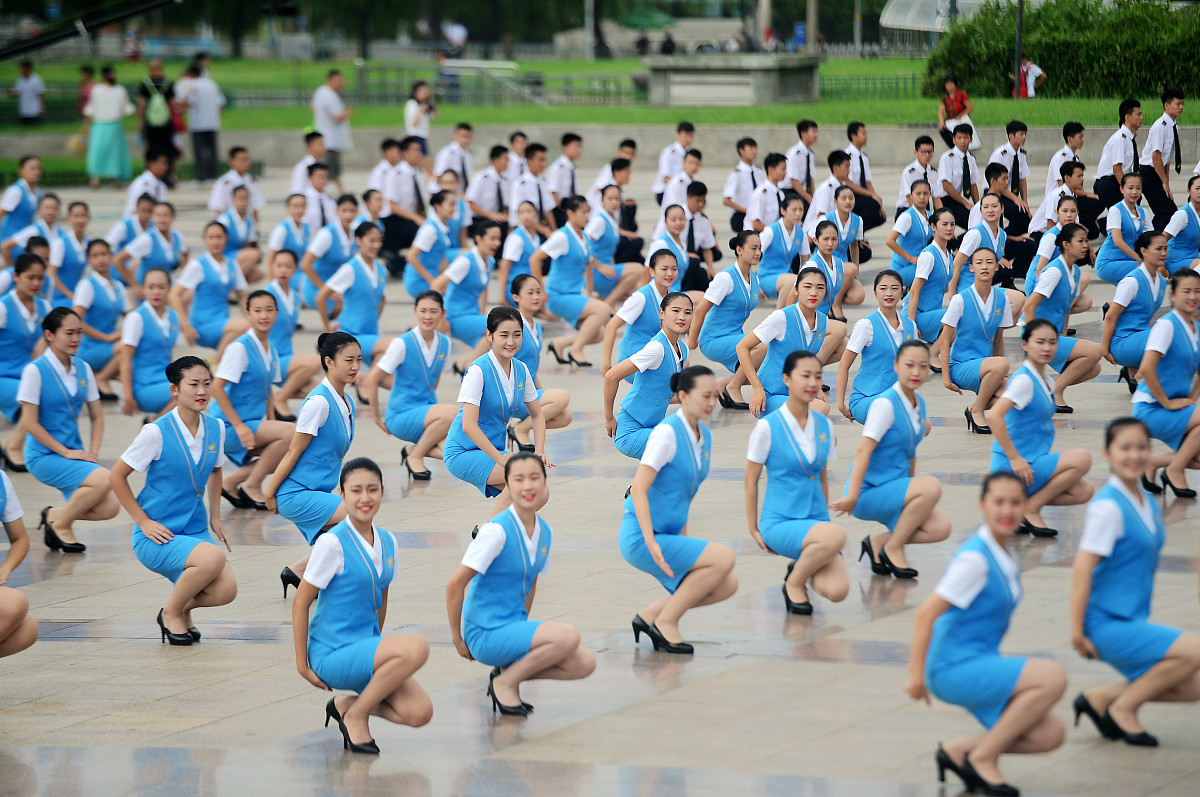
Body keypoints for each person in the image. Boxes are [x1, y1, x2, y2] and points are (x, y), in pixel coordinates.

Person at [905, 472, 1066, 796]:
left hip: (978, 660)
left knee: (1050, 734)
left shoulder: (1003, 552)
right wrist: (917, 676)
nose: (1007, 510)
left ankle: (958, 752)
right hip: (953, 667)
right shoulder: (975, 559)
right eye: (999, 502)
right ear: (982, 505)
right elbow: (926, 614)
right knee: (1051, 677)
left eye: (1015, 502)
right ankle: (983, 758)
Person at [1070, 418, 1200, 748]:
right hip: (1104, 623)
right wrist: (1077, 629)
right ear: (1107, 454)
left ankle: (1103, 699)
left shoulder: (1143, 501)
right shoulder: (1108, 508)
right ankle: (1124, 708)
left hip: (1131, 617)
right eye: (1124, 448)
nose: (1134, 455)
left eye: (1142, 447)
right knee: (1195, 652)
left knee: (1193, 686)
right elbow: (1082, 570)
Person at [290, 456, 432, 755]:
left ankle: (347, 706)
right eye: (356, 490)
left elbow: (381, 599)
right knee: (417, 647)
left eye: (372, 489)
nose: (364, 498)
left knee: (420, 712)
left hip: (364, 648)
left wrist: (376, 649)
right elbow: (301, 603)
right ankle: (357, 717)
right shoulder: (332, 543)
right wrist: (303, 665)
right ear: (341, 494)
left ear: (382, 492)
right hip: (332, 652)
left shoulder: (388, 541)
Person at [446, 452, 594, 715]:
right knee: (568, 636)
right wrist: (457, 639)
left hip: (511, 626)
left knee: (584, 663)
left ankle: (510, 675)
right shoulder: (495, 531)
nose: (528, 486)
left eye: (535, 478)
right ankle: (505, 683)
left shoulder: (544, 531)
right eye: (518, 479)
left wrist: (522, 628)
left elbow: (531, 584)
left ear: (545, 484)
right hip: (484, 631)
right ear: (508, 486)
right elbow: (455, 585)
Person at [110, 356, 236, 646]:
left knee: (226, 590)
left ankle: (178, 608)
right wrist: (143, 521)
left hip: (194, 530)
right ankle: (172, 614)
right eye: (193, 384)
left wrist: (215, 517)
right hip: (157, 534)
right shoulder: (155, 432)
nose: (202, 391)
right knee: (213, 559)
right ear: (174, 390)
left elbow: (216, 471)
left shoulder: (216, 427)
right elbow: (116, 476)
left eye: (207, 383)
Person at [621, 365, 734, 653]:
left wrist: (683, 539)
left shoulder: (703, 437)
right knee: (724, 558)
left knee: (726, 584)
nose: (711, 402)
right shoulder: (666, 434)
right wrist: (650, 541)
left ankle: (649, 616)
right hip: (642, 536)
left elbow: (686, 496)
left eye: (714, 395)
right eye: (704, 396)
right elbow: (639, 489)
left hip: (668, 535)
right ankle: (666, 623)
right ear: (682, 396)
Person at [746, 350, 848, 615]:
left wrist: (824, 521)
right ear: (787, 380)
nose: (812, 383)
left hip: (815, 521)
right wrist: (754, 529)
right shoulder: (767, 427)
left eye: (817, 376)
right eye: (804, 376)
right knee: (837, 537)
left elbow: (823, 477)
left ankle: (802, 566)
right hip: (780, 522)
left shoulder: (823, 426)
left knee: (838, 591)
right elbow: (750, 480)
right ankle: (794, 582)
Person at [19, 308, 119, 553]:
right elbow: (29, 423)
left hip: (72, 454)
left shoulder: (83, 368)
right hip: (44, 455)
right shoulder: (35, 370)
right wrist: (65, 452)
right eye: (69, 333)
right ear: (50, 335)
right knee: (106, 479)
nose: (75, 339)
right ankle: (63, 525)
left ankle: (54, 515)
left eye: (79, 333)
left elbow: (97, 417)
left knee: (110, 508)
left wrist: (93, 453)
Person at [268, 332, 360, 589]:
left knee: (344, 535)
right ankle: (305, 575)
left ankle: (298, 573)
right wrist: (270, 492)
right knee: (356, 517)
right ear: (329, 362)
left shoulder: (346, 401)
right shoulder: (318, 403)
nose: (355, 367)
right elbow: (293, 452)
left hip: (317, 490)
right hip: (295, 492)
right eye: (348, 360)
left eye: (359, 360)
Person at [988, 319, 1095, 537]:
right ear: (1024, 344)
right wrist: (1014, 458)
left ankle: (1022, 505)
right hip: (1013, 467)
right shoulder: (1024, 381)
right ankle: (1031, 508)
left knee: (1084, 491)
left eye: (1052, 342)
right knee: (1082, 458)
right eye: (1039, 342)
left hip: (1031, 463)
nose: (1046, 348)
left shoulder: (1045, 380)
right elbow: (995, 415)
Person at [443, 307, 550, 511]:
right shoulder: (477, 371)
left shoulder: (521, 369)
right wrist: (501, 458)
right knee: (521, 478)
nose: (511, 342)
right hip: (463, 451)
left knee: (539, 494)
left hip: (494, 449)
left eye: (517, 335)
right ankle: (488, 531)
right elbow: (468, 426)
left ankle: (499, 532)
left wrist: (539, 451)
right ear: (489, 336)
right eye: (504, 335)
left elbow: (537, 414)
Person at [209, 290, 294, 510]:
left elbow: (268, 392)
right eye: (257, 311)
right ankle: (252, 485)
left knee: (289, 446)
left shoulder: (270, 348)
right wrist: (238, 426)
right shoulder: (239, 347)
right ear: (247, 314)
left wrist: (274, 423)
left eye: (269, 310)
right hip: (229, 426)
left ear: (277, 314)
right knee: (294, 434)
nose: (263, 316)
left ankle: (230, 482)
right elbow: (216, 388)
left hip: (251, 424)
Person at [363, 291, 456, 479]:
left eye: (433, 311)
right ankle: (417, 456)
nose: (428, 316)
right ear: (415, 311)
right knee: (453, 412)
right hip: (401, 414)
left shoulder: (445, 343)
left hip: (427, 414)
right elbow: (372, 379)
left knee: (453, 450)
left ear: (442, 312)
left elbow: (433, 380)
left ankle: (412, 450)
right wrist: (377, 418)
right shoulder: (402, 343)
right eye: (423, 311)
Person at [738, 266, 845, 417]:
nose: (813, 292)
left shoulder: (822, 321)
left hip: (796, 393)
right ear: (796, 290)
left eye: (820, 288)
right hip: (769, 396)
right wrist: (756, 388)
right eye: (807, 287)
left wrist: (817, 388)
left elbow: (806, 359)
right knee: (819, 409)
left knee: (821, 415)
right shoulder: (781, 318)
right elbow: (742, 346)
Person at [1131, 268, 1200, 496]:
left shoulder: (1196, 328)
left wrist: (1191, 398)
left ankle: (1154, 462)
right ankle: (1175, 471)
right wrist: (1167, 402)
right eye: (1186, 291)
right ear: (1172, 295)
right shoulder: (1167, 325)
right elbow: (1146, 369)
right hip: (1151, 408)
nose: (1192, 297)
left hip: (1176, 409)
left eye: (1197, 291)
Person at [604, 292, 692, 459]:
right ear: (661, 313)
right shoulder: (656, 348)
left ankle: (638, 487)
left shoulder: (683, 348)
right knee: (676, 446)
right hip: (630, 431)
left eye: (688, 312)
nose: (682, 317)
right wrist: (609, 417)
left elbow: (668, 395)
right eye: (676, 311)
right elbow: (611, 376)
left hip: (652, 427)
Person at [1023, 224, 1102, 411]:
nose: (1085, 245)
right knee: (1095, 351)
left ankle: (1047, 388)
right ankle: (1055, 390)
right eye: (1080, 241)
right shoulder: (1054, 272)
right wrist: (1031, 339)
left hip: (1055, 336)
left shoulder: (1073, 271)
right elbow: (1030, 305)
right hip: (1041, 338)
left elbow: (1065, 310)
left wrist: (1064, 336)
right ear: (1066, 244)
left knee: (1094, 369)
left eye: (1086, 240)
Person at [531, 197, 614, 367]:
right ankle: (576, 350)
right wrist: (541, 291)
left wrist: (590, 293)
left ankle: (559, 345)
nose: (587, 216)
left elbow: (589, 265)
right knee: (604, 310)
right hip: (557, 295)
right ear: (570, 213)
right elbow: (535, 259)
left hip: (573, 294)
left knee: (598, 333)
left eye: (588, 211)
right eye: (583, 212)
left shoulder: (583, 236)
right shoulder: (562, 236)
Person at [941, 248, 1015, 435]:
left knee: (1018, 396)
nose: (985, 266)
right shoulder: (960, 299)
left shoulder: (1002, 299)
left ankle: (974, 406)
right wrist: (946, 379)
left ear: (997, 266)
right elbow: (944, 340)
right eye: (979, 262)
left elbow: (998, 338)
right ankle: (978, 411)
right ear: (971, 268)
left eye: (990, 262)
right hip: (961, 365)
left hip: (989, 366)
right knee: (1002, 364)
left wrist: (1002, 372)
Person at [690, 231, 761, 410]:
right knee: (763, 344)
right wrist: (692, 341)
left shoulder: (754, 279)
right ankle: (734, 387)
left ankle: (724, 385)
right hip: (714, 339)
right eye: (753, 248)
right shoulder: (725, 278)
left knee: (764, 366)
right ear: (739, 249)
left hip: (734, 336)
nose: (758, 252)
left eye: (760, 248)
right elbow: (700, 310)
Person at [838, 270, 917, 424]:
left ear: (902, 292)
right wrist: (840, 404)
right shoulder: (866, 325)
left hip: (896, 398)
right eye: (883, 288)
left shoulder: (910, 327)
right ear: (875, 292)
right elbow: (844, 365)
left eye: (894, 288)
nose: (889, 293)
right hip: (866, 399)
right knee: (889, 410)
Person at [0, 254, 50, 473]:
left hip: (28, 376)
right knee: (34, 397)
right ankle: (14, 446)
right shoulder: (3, 308)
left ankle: (8, 444)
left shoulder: (44, 307)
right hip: (4, 378)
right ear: (16, 277)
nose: (36, 283)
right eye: (31, 278)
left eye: (40, 278)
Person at [1102, 232, 1169, 393]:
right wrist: (1105, 350)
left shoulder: (1160, 282)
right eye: (1158, 249)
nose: (1163, 253)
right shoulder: (1131, 281)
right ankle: (1139, 377)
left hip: (1141, 337)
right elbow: (1111, 316)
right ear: (1144, 251)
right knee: (1169, 333)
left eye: (1166, 248)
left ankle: (1133, 371)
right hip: (1122, 341)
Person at [170, 221, 249, 355]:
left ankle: (218, 361)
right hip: (202, 325)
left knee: (252, 328)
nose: (215, 241)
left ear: (226, 239)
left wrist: (250, 316)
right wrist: (185, 326)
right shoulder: (198, 265)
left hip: (224, 322)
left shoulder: (232, 264)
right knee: (247, 327)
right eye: (210, 238)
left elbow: (242, 296)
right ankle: (217, 361)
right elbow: (174, 295)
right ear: (204, 239)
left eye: (219, 237)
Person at [316, 222, 388, 368]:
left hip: (371, 334)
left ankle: (363, 385)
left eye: (379, 240)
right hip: (351, 334)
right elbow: (321, 297)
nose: (376, 245)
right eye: (372, 241)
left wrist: (372, 320)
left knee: (381, 372)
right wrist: (327, 331)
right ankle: (363, 383)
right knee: (393, 346)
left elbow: (382, 299)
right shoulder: (350, 268)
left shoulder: (381, 268)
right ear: (359, 240)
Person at [432, 220, 500, 364]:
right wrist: (442, 318)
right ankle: (467, 365)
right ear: (479, 239)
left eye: (499, 239)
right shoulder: (466, 262)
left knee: (497, 341)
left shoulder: (490, 261)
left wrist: (482, 315)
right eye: (492, 239)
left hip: (471, 314)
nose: (497, 243)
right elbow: (437, 285)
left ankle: (465, 364)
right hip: (455, 316)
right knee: (499, 328)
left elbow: (483, 289)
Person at [602, 250, 678, 376]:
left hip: (658, 358)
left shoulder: (674, 296)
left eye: (674, 269)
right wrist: (606, 365)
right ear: (652, 271)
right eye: (664, 269)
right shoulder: (640, 297)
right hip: (635, 361)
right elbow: (611, 326)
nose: (670, 273)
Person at [120, 268, 178, 420]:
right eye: (151, 287)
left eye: (161, 287)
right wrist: (127, 397)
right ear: (143, 289)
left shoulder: (172, 315)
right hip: (143, 385)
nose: (156, 292)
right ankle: (153, 426)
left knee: (197, 389)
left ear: (169, 289)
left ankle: (153, 423)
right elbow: (125, 359)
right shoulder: (136, 318)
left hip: (165, 379)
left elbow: (167, 354)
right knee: (186, 394)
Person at [74, 240, 126, 397]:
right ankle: (102, 379)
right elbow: (75, 322)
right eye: (95, 256)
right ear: (89, 260)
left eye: (104, 254)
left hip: (109, 344)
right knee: (127, 346)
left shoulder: (118, 286)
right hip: (89, 347)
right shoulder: (87, 285)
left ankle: (99, 376)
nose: (100, 259)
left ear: (111, 256)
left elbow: (130, 316)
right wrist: (107, 337)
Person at [905, 208, 957, 347]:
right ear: (933, 227)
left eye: (952, 224)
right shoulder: (928, 255)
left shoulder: (948, 255)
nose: (949, 228)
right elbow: (914, 291)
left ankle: (933, 351)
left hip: (931, 313)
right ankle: (933, 355)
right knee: (955, 315)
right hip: (917, 315)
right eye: (944, 224)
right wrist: (911, 324)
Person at [584, 185, 642, 307]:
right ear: (602, 201)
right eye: (610, 199)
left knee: (632, 294)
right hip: (596, 272)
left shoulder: (611, 219)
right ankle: (607, 305)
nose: (614, 202)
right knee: (638, 270)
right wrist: (599, 266)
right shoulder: (599, 221)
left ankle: (600, 303)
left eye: (617, 199)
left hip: (608, 270)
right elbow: (583, 243)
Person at [0, 467, 36, 658]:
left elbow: (20, 539)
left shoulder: (1, 479)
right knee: (15, 602)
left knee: (27, 629)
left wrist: (6, 568)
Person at [300, 194, 358, 311]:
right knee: (350, 307)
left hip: (338, 289)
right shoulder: (326, 234)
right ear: (337, 211)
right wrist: (325, 290)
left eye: (352, 211)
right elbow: (305, 264)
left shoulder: (355, 234)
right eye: (344, 210)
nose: (348, 215)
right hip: (317, 288)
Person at [1045, 122, 1104, 236]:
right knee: (1098, 203)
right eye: (1080, 137)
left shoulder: (1074, 158)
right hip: (1060, 199)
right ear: (1070, 138)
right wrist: (1087, 195)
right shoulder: (1060, 158)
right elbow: (1062, 184)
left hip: (1072, 197)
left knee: (1094, 232)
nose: (1083, 140)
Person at [799, 219, 863, 321]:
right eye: (826, 239)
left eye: (834, 239)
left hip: (822, 319)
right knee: (841, 330)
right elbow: (793, 295)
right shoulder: (812, 265)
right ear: (815, 240)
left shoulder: (838, 263)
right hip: (807, 319)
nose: (830, 244)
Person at [1139, 89, 1184, 232]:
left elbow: (1167, 157)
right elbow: (1156, 156)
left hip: (1158, 173)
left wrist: (1166, 181)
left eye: (1182, 104)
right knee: (1168, 211)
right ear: (1166, 105)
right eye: (1177, 104)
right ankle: (1157, 242)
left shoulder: (1173, 126)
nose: (1181, 107)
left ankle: (1150, 239)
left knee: (1163, 211)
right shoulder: (1161, 126)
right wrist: (1163, 181)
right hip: (1149, 173)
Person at [83, 66, 134, 187]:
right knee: (97, 150)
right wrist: (86, 127)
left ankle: (116, 177)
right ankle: (95, 177)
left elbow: (126, 107)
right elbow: (91, 109)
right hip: (99, 125)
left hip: (114, 125)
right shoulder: (97, 90)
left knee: (115, 153)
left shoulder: (120, 90)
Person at [1095, 174, 1148, 285]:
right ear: (1121, 189)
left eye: (1138, 188)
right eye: (1130, 188)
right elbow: (1118, 242)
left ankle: (1113, 303)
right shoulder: (1116, 210)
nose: (1134, 192)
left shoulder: (1142, 212)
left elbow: (1151, 237)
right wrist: (1140, 259)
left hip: (1127, 260)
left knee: (1130, 292)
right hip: (1109, 262)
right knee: (1145, 269)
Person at [403, 191, 455, 302]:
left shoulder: (442, 228)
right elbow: (411, 257)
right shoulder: (430, 229)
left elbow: (442, 258)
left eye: (454, 205)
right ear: (438, 207)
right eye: (450, 204)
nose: (454, 208)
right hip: (420, 280)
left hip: (432, 277)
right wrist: (433, 281)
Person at [1092, 98, 1143, 210]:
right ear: (1127, 117)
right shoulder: (1120, 139)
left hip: (1118, 182)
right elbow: (1117, 168)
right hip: (1110, 184)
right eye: (1138, 115)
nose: (1141, 118)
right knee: (1123, 214)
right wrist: (1127, 190)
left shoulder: (1129, 138)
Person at [177, 64, 224, 184]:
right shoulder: (212, 84)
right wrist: (216, 117)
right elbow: (221, 102)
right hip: (212, 123)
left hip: (198, 124)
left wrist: (179, 109)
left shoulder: (194, 86)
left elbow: (189, 102)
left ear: (191, 74)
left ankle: (203, 176)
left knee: (199, 151)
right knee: (212, 150)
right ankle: (213, 174)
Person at [756, 195, 806, 305]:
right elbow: (750, 255)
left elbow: (805, 260)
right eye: (794, 210)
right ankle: (779, 316)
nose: (798, 213)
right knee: (794, 281)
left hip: (787, 276)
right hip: (766, 277)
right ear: (783, 211)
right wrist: (753, 283)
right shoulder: (770, 231)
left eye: (801, 210)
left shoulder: (800, 233)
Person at [382, 137, 427, 259]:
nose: (419, 154)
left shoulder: (419, 173)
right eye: (416, 150)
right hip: (396, 219)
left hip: (413, 217)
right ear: (405, 153)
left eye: (420, 150)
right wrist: (416, 218)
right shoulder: (395, 174)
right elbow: (392, 206)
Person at [311, 71, 353, 194]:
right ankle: (331, 191)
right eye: (339, 81)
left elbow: (312, 107)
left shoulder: (320, 91)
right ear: (331, 80)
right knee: (330, 168)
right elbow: (337, 117)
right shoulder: (330, 96)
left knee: (331, 168)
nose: (341, 84)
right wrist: (348, 113)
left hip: (325, 136)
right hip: (331, 139)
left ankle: (340, 190)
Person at [885, 180, 933, 287]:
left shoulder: (930, 216)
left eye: (925, 194)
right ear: (911, 196)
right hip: (903, 267)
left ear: (930, 195)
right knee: (934, 274)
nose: (922, 197)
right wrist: (911, 258)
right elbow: (889, 241)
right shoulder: (907, 217)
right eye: (918, 194)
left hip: (919, 265)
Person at [138, 60, 177, 181]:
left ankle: (152, 174)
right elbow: (173, 104)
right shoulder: (168, 83)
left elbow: (142, 104)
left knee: (152, 149)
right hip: (166, 123)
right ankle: (168, 174)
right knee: (167, 149)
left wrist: (140, 121)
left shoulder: (145, 84)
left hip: (151, 123)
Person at [497, 201, 540, 305]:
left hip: (530, 286)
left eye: (529, 211)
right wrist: (501, 297)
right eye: (521, 212)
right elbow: (504, 267)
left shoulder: (536, 237)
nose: (525, 215)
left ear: (536, 213)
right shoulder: (516, 238)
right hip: (516, 287)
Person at [938, 125, 981, 231]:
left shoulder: (971, 159)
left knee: (979, 220)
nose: (962, 141)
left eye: (966, 138)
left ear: (971, 139)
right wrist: (966, 204)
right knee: (973, 224)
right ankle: (959, 245)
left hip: (958, 200)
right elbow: (946, 186)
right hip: (945, 202)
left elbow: (973, 184)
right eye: (959, 138)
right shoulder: (947, 157)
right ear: (954, 139)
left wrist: (978, 206)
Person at [843, 122, 885, 230]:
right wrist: (872, 195)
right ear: (854, 136)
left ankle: (858, 232)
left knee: (880, 216)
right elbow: (849, 184)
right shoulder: (847, 156)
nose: (866, 136)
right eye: (863, 133)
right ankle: (853, 233)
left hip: (861, 194)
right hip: (849, 194)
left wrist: (876, 198)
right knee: (872, 205)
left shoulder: (863, 157)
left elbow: (868, 182)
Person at [216, 185, 262, 283]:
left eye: (246, 199)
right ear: (233, 200)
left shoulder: (249, 220)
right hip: (224, 255)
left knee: (259, 274)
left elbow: (249, 244)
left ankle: (232, 285)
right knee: (254, 254)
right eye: (240, 199)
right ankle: (230, 284)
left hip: (237, 256)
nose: (243, 202)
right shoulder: (225, 220)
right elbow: (216, 240)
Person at [508, 142, 556, 237]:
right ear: (529, 161)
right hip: (523, 230)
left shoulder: (542, 182)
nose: (544, 164)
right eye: (541, 160)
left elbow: (548, 209)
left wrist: (554, 230)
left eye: (545, 160)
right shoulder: (520, 185)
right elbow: (523, 215)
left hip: (540, 228)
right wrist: (546, 232)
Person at [208, 147, 265, 222]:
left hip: (246, 223)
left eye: (248, 159)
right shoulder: (224, 183)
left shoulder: (251, 181)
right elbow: (218, 208)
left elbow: (255, 208)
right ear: (232, 162)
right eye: (243, 160)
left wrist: (255, 227)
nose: (247, 163)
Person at [266, 194, 311, 287]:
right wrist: (273, 286)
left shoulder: (309, 228)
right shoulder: (281, 229)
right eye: (295, 206)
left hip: (303, 274)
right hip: (286, 276)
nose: (299, 210)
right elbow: (270, 259)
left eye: (302, 206)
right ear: (288, 208)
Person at [727, 137, 768, 234]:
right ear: (741, 151)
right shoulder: (737, 174)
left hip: (759, 215)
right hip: (742, 215)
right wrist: (746, 210)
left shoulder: (758, 172)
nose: (755, 152)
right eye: (751, 149)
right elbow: (726, 200)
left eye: (755, 148)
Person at [825, 184, 870, 271]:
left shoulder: (858, 220)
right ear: (835, 201)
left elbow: (854, 246)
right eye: (843, 198)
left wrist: (856, 270)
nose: (848, 202)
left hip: (843, 264)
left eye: (851, 198)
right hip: (825, 264)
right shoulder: (826, 219)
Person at [465, 144, 510, 228]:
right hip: (479, 219)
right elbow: (470, 203)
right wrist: (490, 215)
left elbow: (506, 204)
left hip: (497, 219)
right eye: (505, 160)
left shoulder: (504, 180)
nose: (507, 163)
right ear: (495, 160)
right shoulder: (481, 178)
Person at [896, 136, 942, 218]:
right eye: (923, 152)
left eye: (930, 152)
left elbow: (936, 198)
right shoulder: (909, 172)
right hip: (907, 210)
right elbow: (910, 199)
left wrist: (942, 216)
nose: (927, 155)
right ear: (915, 153)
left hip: (924, 209)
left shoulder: (933, 172)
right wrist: (922, 218)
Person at [0, 156, 42, 242]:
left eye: (38, 169)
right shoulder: (16, 191)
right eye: (32, 169)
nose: (36, 172)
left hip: (25, 237)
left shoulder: (37, 192)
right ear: (21, 171)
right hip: (10, 237)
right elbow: (1, 212)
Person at [743, 153, 787, 233]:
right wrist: (776, 233)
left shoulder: (781, 194)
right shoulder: (761, 193)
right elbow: (756, 224)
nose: (785, 173)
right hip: (757, 237)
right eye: (783, 169)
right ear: (771, 170)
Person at [1165, 175, 1200, 274]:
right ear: (1188, 191)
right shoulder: (1183, 214)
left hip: (1192, 259)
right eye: (1197, 189)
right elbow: (1163, 239)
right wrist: (1161, 265)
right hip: (1175, 261)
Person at [546, 133, 582, 228]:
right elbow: (552, 192)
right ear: (565, 147)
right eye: (576, 147)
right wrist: (564, 211)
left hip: (570, 207)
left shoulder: (572, 167)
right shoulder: (557, 168)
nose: (579, 150)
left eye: (580, 147)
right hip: (560, 210)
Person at [655, 122, 695, 207]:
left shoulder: (689, 153)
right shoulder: (669, 152)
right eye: (686, 136)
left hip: (682, 190)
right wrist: (678, 188)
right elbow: (665, 178)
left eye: (691, 136)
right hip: (666, 191)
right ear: (678, 135)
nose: (688, 139)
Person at [123, 151, 169, 219]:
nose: (166, 167)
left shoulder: (162, 186)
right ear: (152, 164)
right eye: (162, 163)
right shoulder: (141, 185)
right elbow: (132, 211)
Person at [785, 122, 819, 213]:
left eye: (817, 131)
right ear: (804, 134)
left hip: (800, 190)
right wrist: (809, 199)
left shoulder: (810, 154)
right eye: (813, 132)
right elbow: (794, 182)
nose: (816, 135)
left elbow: (810, 178)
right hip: (788, 191)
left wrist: (814, 197)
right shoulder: (795, 154)